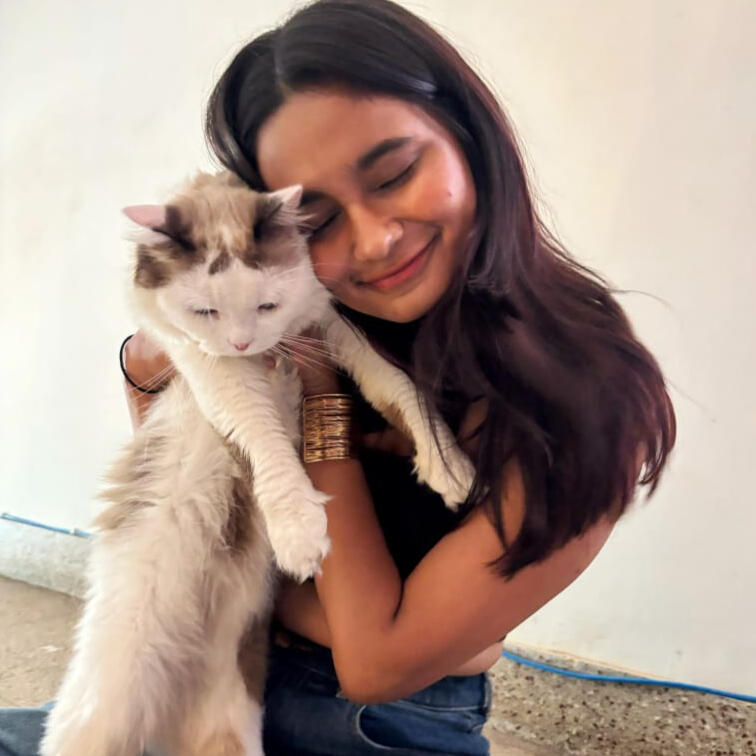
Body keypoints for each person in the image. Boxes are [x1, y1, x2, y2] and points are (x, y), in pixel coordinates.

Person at [0, 0, 676, 754]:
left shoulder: (586, 393)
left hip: (376, 725)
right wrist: (150, 357)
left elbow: (376, 662)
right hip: (208, 674)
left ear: (468, 138)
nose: (375, 241)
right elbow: (187, 467)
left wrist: (322, 404)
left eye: (395, 174)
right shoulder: (300, 301)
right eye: (317, 222)